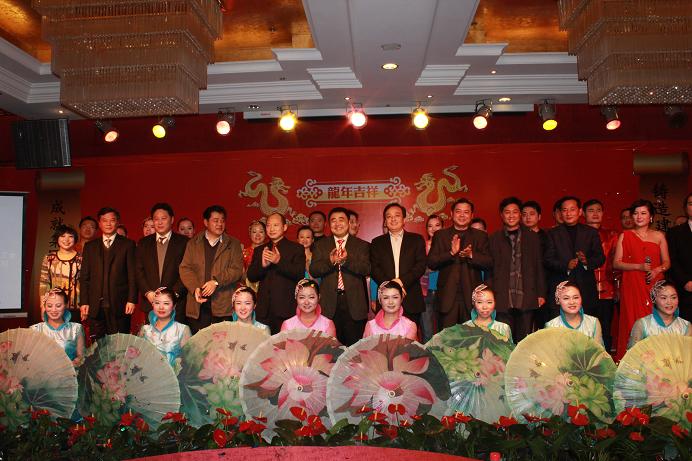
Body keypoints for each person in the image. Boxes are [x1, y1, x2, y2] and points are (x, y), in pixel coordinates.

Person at [613, 199, 670, 360]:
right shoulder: (625, 236)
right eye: (636, 213)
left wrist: (657, 269)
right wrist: (638, 266)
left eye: (643, 213)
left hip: (654, 283)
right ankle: (631, 361)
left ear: (651, 216)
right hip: (632, 283)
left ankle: (657, 360)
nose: (639, 216)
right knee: (632, 320)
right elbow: (616, 263)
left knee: (655, 319)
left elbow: (667, 262)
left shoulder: (659, 236)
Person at [427, 198, 492, 328]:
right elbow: (431, 262)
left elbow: (489, 262)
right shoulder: (440, 235)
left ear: (472, 215)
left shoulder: (480, 236)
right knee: (447, 338)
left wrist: (471, 255)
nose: (462, 215)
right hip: (447, 298)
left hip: (472, 298)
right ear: (452, 214)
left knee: (471, 338)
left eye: (466, 212)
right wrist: (451, 253)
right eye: (458, 211)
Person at [310, 207, 370, 345]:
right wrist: (330, 261)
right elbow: (314, 270)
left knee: (354, 349)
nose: (337, 224)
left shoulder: (361, 245)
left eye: (341, 220)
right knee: (330, 348)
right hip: (329, 304)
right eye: (333, 220)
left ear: (348, 222)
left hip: (354, 305)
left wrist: (346, 261)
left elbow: (366, 269)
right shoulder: (320, 245)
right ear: (329, 224)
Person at [488, 197, 545, 342]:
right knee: (503, 340)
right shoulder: (494, 238)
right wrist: (490, 294)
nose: (511, 215)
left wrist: (540, 293)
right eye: (507, 212)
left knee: (524, 341)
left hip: (526, 296)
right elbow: (490, 269)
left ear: (520, 214)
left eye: (515, 212)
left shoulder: (532, 237)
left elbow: (538, 266)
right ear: (502, 215)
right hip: (502, 296)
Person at [179, 205, 243, 334]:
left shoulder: (233, 244)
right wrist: (195, 288)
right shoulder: (193, 243)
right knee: (199, 343)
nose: (220, 224)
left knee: (222, 343)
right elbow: (185, 268)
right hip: (198, 304)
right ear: (206, 222)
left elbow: (237, 270)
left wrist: (216, 281)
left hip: (222, 305)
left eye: (222, 220)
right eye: (215, 220)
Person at [80, 207, 137, 339]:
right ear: (99, 224)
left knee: (119, 344)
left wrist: (131, 299)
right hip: (95, 305)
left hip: (120, 304)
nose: (108, 224)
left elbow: (132, 275)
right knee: (97, 345)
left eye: (112, 220)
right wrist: (84, 301)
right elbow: (85, 277)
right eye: (104, 221)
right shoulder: (90, 246)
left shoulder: (128, 245)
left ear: (118, 222)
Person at [544, 196, 605, 319]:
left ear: (580, 211)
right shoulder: (552, 233)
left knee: (586, 324)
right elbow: (547, 260)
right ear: (560, 213)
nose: (568, 213)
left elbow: (600, 258)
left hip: (585, 288)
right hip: (560, 286)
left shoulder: (591, 232)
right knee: (559, 326)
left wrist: (586, 261)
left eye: (572, 209)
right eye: (565, 210)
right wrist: (566, 266)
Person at [247, 213, 306, 333]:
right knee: (264, 343)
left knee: (285, 344)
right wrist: (263, 266)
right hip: (264, 311)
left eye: (275, 225)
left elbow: (299, 274)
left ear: (284, 227)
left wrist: (279, 261)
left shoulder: (296, 248)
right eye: (268, 225)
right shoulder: (260, 250)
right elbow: (251, 276)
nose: (271, 229)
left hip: (286, 310)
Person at [370, 203, 427, 325]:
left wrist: (401, 282)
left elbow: (420, 266)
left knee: (410, 335)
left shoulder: (416, 239)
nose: (393, 219)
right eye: (389, 216)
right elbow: (374, 268)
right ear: (385, 221)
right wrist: (391, 287)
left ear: (404, 219)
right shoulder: (377, 242)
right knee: (386, 336)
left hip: (411, 297)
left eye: (397, 215)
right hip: (386, 299)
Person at [136, 202, 189, 323]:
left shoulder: (184, 243)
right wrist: (148, 293)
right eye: (156, 219)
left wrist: (173, 295)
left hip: (176, 303)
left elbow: (187, 271)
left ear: (172, 220)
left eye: (163, 218)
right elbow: (138, 271)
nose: (159, 222)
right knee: (151, 334)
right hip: (151, 302)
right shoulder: (143, 243)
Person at [583, 199, 619, 350]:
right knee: (585, 328)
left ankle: (606, 358)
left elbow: (616, 262)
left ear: (603, 213)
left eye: (598, 210)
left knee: (605, 327)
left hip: (607, 288)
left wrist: (616, 287)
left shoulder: (612, 235)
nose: (595, 214)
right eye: (591, 210)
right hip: (585, 289)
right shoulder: (579, 234)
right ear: (583, 213)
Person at [628, 280, 690, 348]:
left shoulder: (685, 326)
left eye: (673, 297)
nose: (669, 302)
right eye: (664, 298)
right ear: (654, 300)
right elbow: (633, 352)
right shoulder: (643, 324)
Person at [31, 288, 84, 366]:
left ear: (66, 305)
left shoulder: (76, 329)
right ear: (44, 306)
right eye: (49, 306)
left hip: (70, 372)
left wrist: (72, 364)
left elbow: (81, 356)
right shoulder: (35, 330)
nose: (54, 310)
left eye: (58, 306)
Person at [138, 287, 191, 365]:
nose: (161, 307)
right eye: (157, 303)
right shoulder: (145, 330)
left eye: (166, 303)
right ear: (152, 304)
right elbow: (138, 358)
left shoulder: (182, 330)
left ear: (174, 306)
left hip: (174, 372)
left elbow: (188, 362)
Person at [39, 224, 82, 321]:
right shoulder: (49, 258)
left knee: (73, 330)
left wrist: (85, 305)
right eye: (62, 236)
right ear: (57, 239)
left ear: (75, 239)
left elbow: (86, 283)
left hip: (76, 306)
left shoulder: (81, 258)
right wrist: (43, 305)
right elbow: (43, 283)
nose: (66, 240)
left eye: (70, 236)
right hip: (53, 307)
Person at [545, 281, 604, 346]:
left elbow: (599, 351)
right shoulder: (551, 326)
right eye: (566, 298)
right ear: (558, 301)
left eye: (576, 297)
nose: (572, 302)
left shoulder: (593, 323)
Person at [667, 192, 692, 321]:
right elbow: (672, 260)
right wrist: (685, 281)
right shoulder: (675, 232)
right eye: (691, 204)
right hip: (686, 290)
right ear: (685, 208)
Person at [420, 214, 443, 342]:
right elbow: (419, 268)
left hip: (444, 291)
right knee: (427, 332)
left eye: (437, 225)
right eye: (430, 226)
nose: (433, 229)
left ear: (443, 227)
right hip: (425, 292)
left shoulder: (449, 246)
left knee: (443, 331)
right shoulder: (422, 246)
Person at [242, 220, 267, 292]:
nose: (258, 235)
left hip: (266, 288)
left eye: (261, 232)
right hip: (248, 289)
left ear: (266, 234)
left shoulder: (270, 252)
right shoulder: (243, 253)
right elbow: (241, 275)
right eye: (254, 232)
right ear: (249, 234)